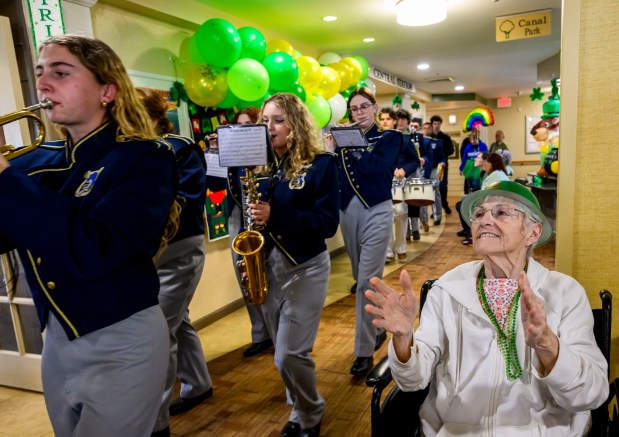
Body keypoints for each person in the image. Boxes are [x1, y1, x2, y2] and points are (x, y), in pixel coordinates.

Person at [0, 35, 177, 436]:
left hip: (121, 338)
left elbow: (95, 249)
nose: (43, 84)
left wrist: (5, 180)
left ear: (107, 91)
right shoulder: (39, 162)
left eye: (61, 73)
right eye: (40, 72)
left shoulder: (144, 159)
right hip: (59, 337)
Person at [365, 180, 608, 437]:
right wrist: (404, 339)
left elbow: (592, 394)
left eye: (501, 212)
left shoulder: (564, 293)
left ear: (533, 233)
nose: (484, 220)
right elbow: (412, 380)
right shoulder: (448, 288)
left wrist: (548, 345)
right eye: (479, 214)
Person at [243, 93, 340, 437]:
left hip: (306, 266)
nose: (270, 127)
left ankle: (310, 412)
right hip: (268, 267)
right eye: (265, 120)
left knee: (288, 355)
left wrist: (276, 214)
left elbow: (326, 224)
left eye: (278, 120)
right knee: (283, 354)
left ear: (296, 123)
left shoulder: (323, 163)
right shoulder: (260, 165)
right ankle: (300, 408)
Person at [137, 89, 213, 435]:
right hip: (152, 253)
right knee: (176, 320)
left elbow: (188, 201)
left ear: (154, 117)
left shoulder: (179, 148)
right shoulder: (135, 152)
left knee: (159, 332)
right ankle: (198, 384)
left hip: (178, 249)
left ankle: (155, 420)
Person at [335, 87, 402, 377]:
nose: (359, 112)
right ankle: (376, 329)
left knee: (366, 281)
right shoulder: (339, 138)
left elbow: (376, 168)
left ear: (375, 108)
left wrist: (351, 144)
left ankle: (363, 352)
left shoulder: (389, 138)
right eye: (354, 109)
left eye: (364, 107)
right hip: (347, 210)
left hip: (376, 208)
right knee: (360, 278)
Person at [217, 106, 274, 358]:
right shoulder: (232, 155)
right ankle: (259, 333)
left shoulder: (267, 155)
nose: (242, 132)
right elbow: (215, 185)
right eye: (238, 127)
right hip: (237, 219)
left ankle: (274, 332)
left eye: (248, 127)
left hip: (262, 221)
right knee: (245, 276)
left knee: (267, 277)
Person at [381, 108, 420, 263]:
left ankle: (401, 248)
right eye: (382, 119)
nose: (385, 122)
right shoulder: (376, 138)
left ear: (394, 121)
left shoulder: (404, 139)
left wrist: (404, 169)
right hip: (382, 181)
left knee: (400, 212)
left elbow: (414, 161)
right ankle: (389, 251)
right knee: (386, 215)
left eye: (388, 119)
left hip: (399, 181)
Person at [458, 152, 509, 245]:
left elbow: (484, 194)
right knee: (463, 203)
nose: (486, 165)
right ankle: (470, 233)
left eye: (487, 163)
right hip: (497, 202)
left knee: (463, 205)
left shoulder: (495, 175)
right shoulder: (497, 173)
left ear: (493, 164)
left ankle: (472, 235)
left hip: (495, 204)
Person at [429, 115, 454, 214]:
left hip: (442, 165)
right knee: (432, 188)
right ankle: (435, 210)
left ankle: (444, 204)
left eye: (438, 124)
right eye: (435, 123)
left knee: (443, 186)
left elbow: (451, 151)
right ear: (432, 124)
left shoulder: (445, 137)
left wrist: (441, 152)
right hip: (431, 166)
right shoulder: (428, 137)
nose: (436, 126)